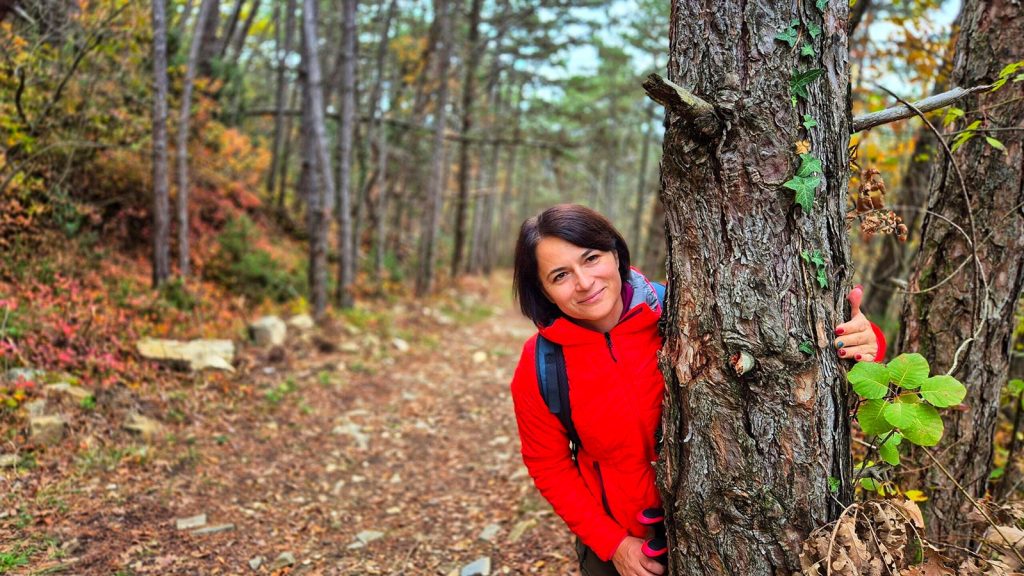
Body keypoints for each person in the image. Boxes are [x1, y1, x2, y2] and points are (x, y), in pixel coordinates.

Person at [508, 204, 885, 576]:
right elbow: (549, 465)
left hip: (723, 532)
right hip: (620, 544)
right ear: (543, 290)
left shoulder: (685, 310)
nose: (584, 282)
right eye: (560, 275)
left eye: (591, 258)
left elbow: (784, 359)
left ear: (615, 253)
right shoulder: (542, 364)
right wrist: (613, 544)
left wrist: (868, 343)